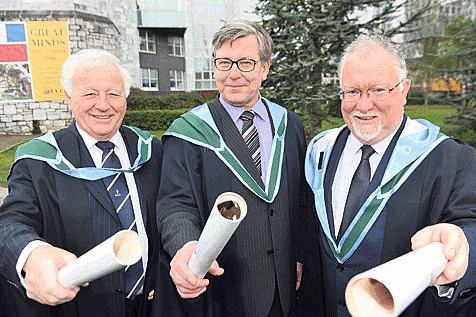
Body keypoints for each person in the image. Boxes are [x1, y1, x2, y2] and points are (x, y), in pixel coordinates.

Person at [304, 34, 476, 316]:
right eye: (352, 91)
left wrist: (461, 242)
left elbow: (470, 225)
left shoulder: (448, 158)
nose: (363, 105)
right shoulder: (321, 150)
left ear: (404, 90)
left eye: (377, 90)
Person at [152, 20, 310, 317]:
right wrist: (186, 246)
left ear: (265, 67)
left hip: (285, 287)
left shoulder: (290, 125)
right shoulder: (189, 133)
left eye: (246, 63)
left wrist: (299, 256)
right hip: (223, 290)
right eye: (224, 63)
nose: (233, 73)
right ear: (214, 66)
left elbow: (301, 198)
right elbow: (175, 204)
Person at [0, 49, 164, 317]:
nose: (103, 104)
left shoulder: (151, 150)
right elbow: (10, 222)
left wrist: (164, 273)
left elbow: (170, 214)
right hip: (81, 307)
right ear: (69, 97)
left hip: (151, 305)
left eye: (113, 93)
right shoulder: (40, 161)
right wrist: (32, 254)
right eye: (89, 94)